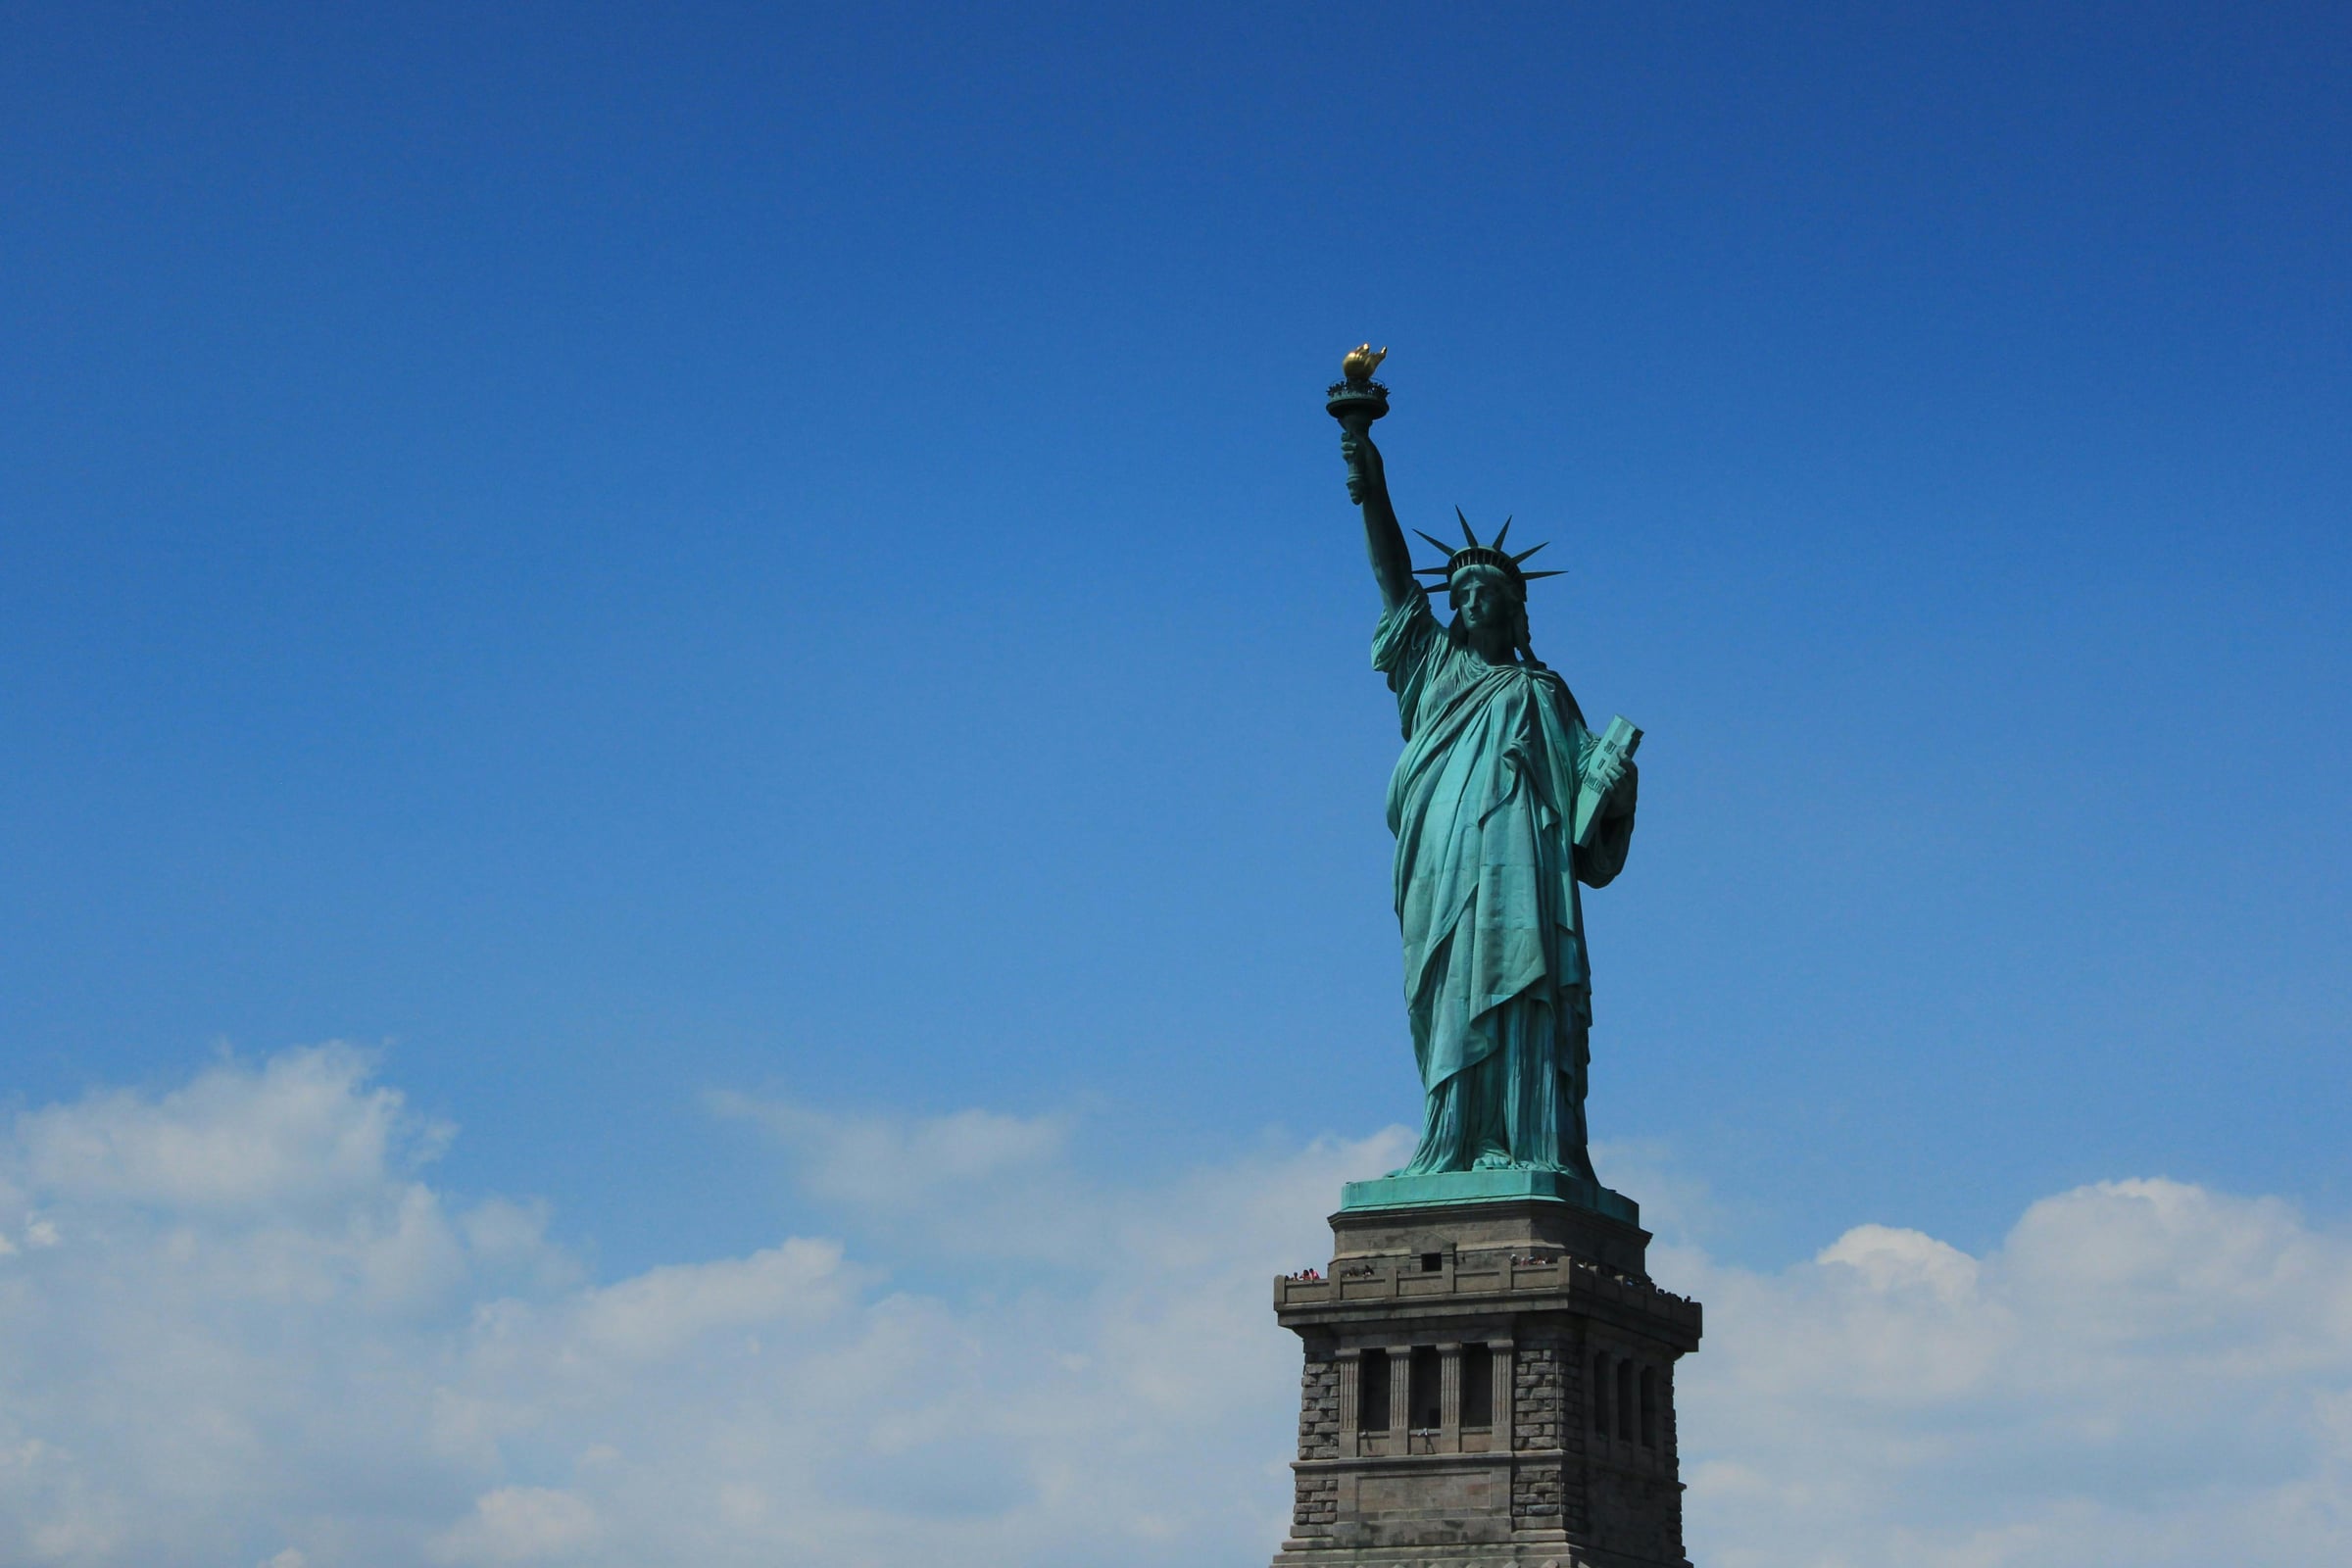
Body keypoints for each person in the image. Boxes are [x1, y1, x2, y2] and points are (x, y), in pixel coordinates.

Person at [1338, 421, 1637, 1178]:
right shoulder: (1430, 662)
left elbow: (1582, 815)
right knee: (1445, 985)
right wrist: (1366, 463)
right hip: (1441, 852)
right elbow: (1393, 571)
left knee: (1521, 982)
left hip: (1521, 864)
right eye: (1460, 593)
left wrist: (1614, 781)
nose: (1469, 602)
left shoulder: (1543, 690)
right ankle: (1453, 1138)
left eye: (1485, 593)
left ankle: (1524, 1138)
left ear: (1511, 608)